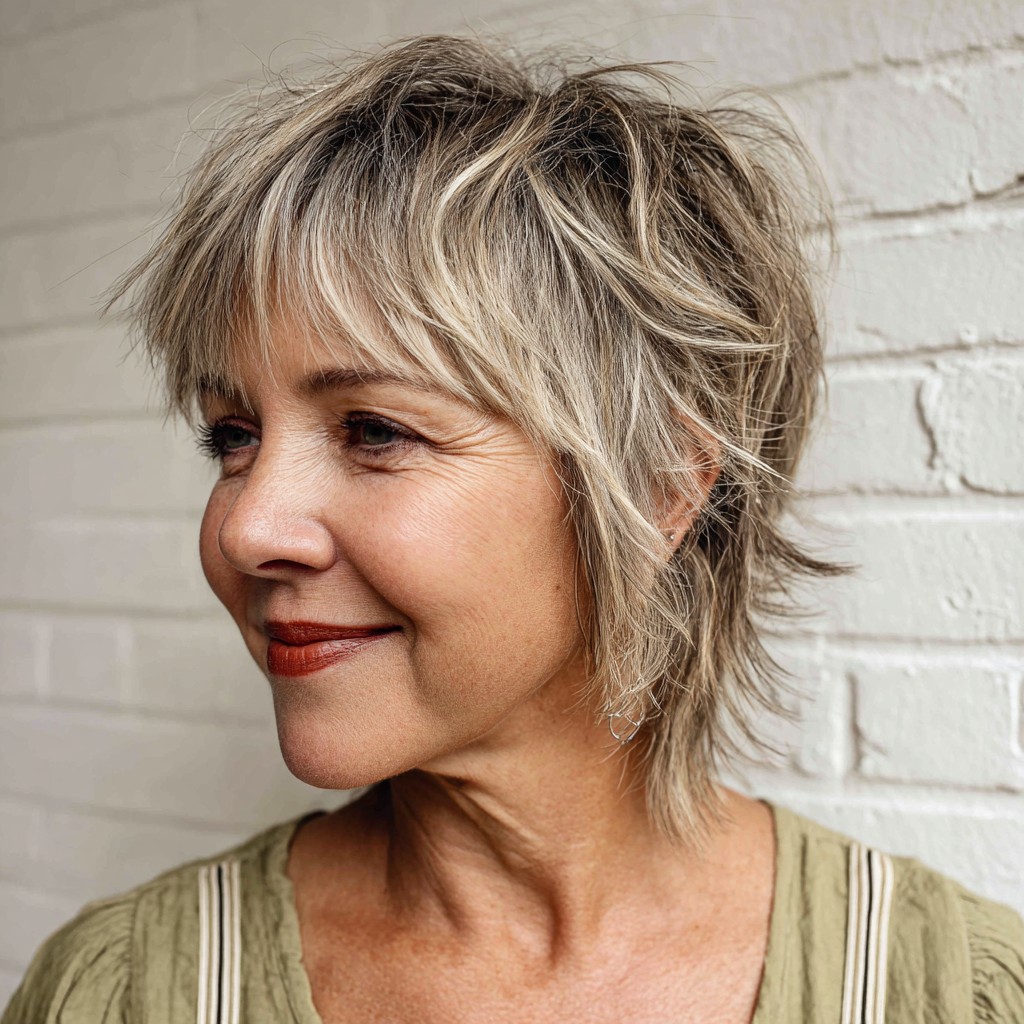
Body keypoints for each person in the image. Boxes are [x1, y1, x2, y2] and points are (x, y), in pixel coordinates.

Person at [3, 32, 1022, 1024]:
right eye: (233, 435)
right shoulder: (123, 991)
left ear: (661, 486)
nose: (246, 529)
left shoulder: (945, 990)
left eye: (374, 430)